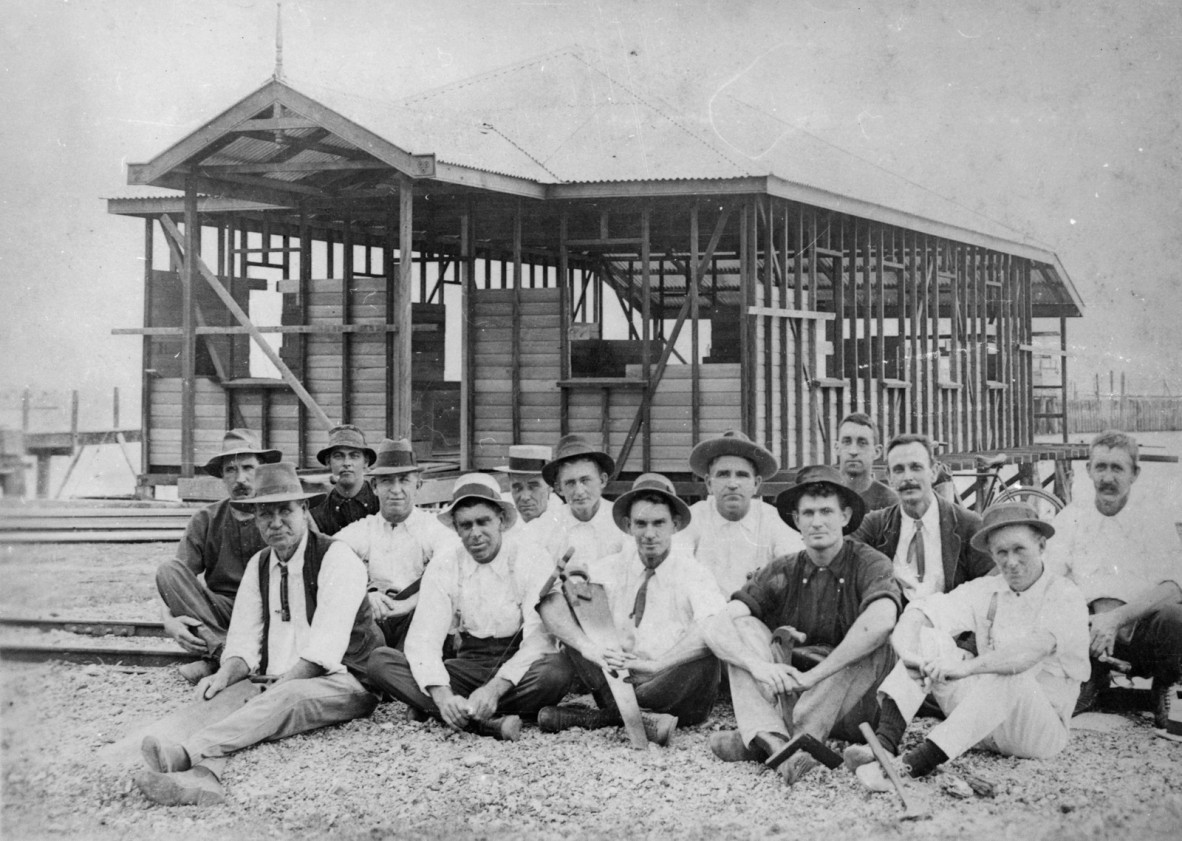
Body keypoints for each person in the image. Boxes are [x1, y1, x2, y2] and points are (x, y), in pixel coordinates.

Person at [134, 462, 383, 806]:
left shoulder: (337, 558)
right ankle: (202, 781)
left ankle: (187, 754)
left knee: (284, 699)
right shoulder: (261, 564)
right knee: (224, 697)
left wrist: (270, 690)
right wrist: (224, 676)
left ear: (304, 509)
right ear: (255, 518)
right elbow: (243, 643)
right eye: (265, 514)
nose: (275, 522)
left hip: (346, 681)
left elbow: (321, 654)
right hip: (278, 677)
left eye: (285, 511)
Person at [850, 502, 1089, 790]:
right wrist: (909, 654)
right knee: (929, 639)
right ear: (991, 554)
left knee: (1010, 672)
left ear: (1040, 545)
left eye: (1019, 549)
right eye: (1001, 552)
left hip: (1037, 731)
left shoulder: (1065, 594)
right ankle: (885, 745)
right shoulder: (987, 589)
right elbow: (921, 612)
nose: (1010, 561)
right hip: (980, 726)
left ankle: (910, 767)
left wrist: (964, 668)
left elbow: (1027, 653)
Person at [704, 465, 901, 786]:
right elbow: (716, 627)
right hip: (795, 695)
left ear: (845, 516)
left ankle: (770, 739)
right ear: (796, 520)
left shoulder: (869, 562)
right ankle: (775, 740)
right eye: (808, 513)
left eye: (826, 511)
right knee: (740, 626)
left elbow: (881, 623)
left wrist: (814, 676)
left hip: (853, 704)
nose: (817, 521)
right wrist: (758, 666)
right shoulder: (783, 569)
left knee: (873, 638)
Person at [367, 474, 573, 739]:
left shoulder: (531, 557)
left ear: (500, 519)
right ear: (455, 528)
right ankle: (479, 720)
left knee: (557, 671)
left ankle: (437, 709)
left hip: (517, 667)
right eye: (465, 525)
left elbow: (537, 640)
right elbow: (423, 641)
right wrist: (442, 696)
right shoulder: (445, 565)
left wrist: (494, 690)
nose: (475, 534)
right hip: (466, 667)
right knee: (380, 662)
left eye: (483, 521)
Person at [538, 474, 726, 744]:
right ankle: (637, 717)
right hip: (619, 679)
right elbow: (549, 603)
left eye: (659, 523)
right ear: (628, 526)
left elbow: (712, 627)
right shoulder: (612, 566)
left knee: (705, 658)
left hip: (668, 681)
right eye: (641, 524)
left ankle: (600, 717)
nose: (649, 534)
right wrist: (590, 648)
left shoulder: (693, 572)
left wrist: (655, 666)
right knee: (576, 621)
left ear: (675, 525)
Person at [1051, 430, 1182, 739]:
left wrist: (1116, 619)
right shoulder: (1071, 517)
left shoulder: (1153, 517)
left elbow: (1173, 585)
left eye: (1117, 468)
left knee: (1175, 619)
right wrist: (1085, 622)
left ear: (1134, 473)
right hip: (1087, 634)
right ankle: (1089, 679)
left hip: (1138, 632)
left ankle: (1165, 685)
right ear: (1088, 471)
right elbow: (1050, 579)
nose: (1107, 478)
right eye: (1101, 467)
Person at [155, 429, 281, 684]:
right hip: (224, 611)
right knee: (167, 570)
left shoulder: (282, 510)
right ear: (222, 477)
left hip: (274, 606)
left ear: (263, 470)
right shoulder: (206, 518)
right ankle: (225, 654)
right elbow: (178, 578)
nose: (241, 479)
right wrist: (168, 622)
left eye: (248, 468)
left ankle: (219, 663)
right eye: (230, 470)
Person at [335, 438, 460, 649]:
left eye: (404, 480)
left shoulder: (433, 528)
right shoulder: (365, 529)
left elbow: (453, 575)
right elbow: (328, 555)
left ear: (418, 485)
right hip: (375, 619)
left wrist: (406, 605)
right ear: (374, 487)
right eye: (387, 481)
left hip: (416, 619)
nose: (396, 489)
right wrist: (364, 595)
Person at [852, 433, 993, 604]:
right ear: (889, 478)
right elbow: (842, 553)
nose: (908, 477)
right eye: (898, 470)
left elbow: (990, 584)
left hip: (951, 626)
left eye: (916, 467)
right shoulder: (876, 525)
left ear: (933, 472)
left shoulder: (967, 524)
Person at [680, 430, 804, 596]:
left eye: (742, 475)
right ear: (709, 483)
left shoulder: (773, 519)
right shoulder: (693, 517)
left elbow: (793, 571)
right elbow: (677, 571)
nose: (732, 484)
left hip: (757, 615)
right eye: (723, 474)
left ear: (756, 484)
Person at [539, 434, 625, 566]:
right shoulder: (547, 526)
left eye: (585, 480)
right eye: (570, 483)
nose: (579, 491)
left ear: (602, 480)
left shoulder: (622, 522)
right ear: (558, 488)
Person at [309, 424, 380, 535]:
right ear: (328, 462)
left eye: (354, 456)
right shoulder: (318, 513)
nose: (346, 463)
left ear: (365, 462)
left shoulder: (381, 504)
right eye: (338, 456)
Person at [835, 413, 899, 512]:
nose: (853, 451)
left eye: (862, 443)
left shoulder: (890, 502)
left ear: (877, 452)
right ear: (837, 448)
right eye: (847, 442)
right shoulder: (823, 495)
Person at [494, 444, 564, 528]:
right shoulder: (504, 527)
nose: (525, 497)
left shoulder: (561, 524)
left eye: (533, 487)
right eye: (517, 488)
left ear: (550, 486)